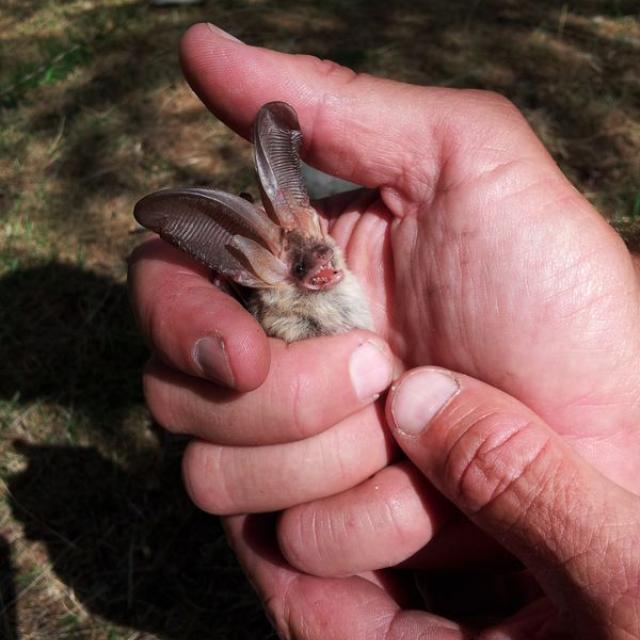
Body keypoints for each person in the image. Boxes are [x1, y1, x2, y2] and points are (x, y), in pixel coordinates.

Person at [128, 22, 640, 638]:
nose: (323, 263)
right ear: (265, 274)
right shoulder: (277, 295)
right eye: (303, 264)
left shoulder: (329, 254)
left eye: (319, 249)